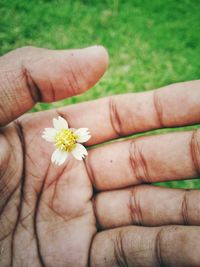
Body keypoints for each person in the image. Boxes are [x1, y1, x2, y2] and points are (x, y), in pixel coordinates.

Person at [0, 45, 199, 267]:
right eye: (64, 139)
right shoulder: (62, 142)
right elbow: (63, 142)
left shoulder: (74, 140)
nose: (64, 140)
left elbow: (76, 142)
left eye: (66, 138)